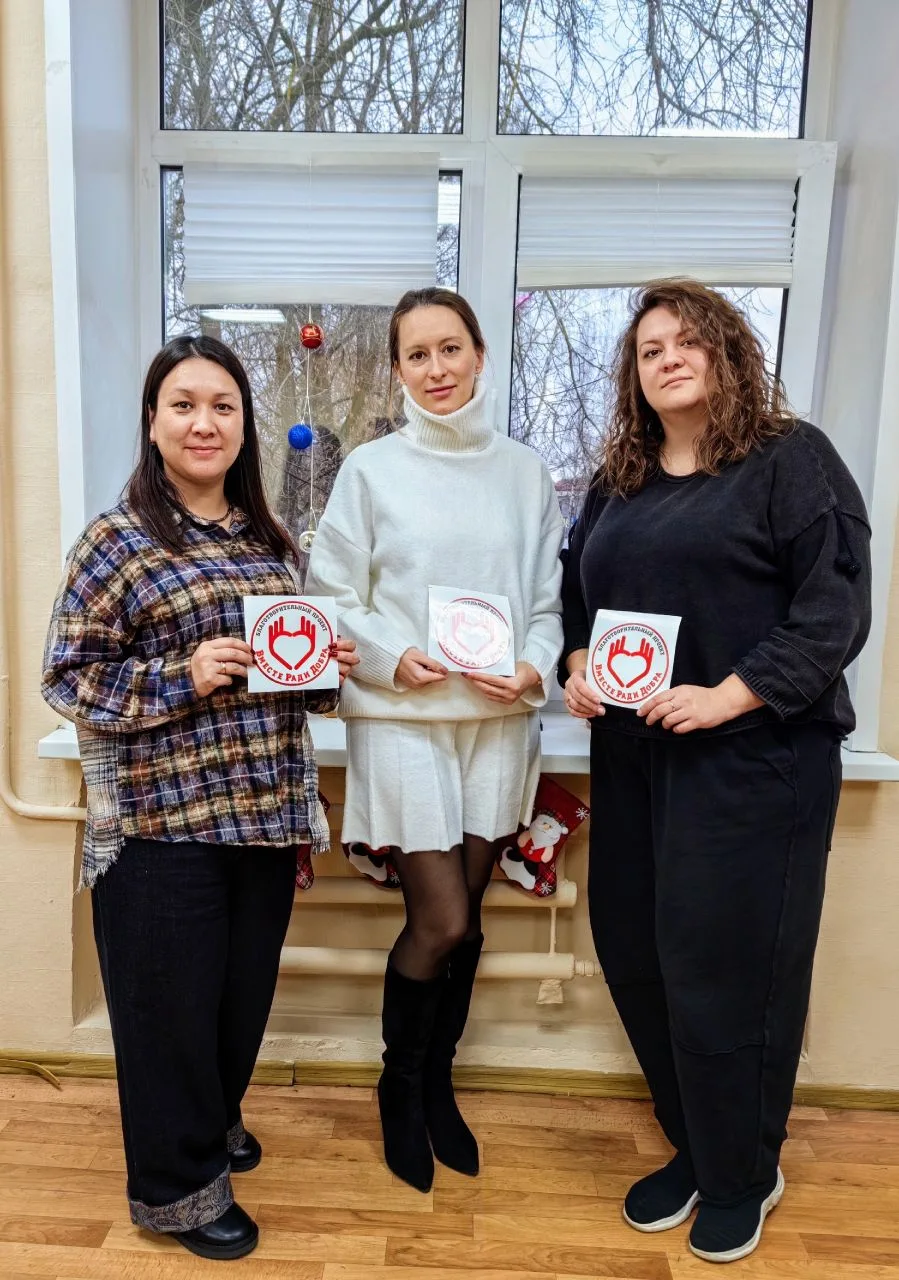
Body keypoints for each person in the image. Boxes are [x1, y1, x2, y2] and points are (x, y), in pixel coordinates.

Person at [561, 279, 871, 1264]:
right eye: (648, 347)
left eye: (687, 340)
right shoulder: (618, 481)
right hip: (633, 756)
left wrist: (727, 695)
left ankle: (743, 1170)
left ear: (727, 350)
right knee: (635, 950)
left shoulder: (789, 460)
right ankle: (696, 1145)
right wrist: (577, 664)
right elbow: (577, 600)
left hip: (751, 760)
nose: (667, 358)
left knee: (728, 970)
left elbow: (832, 610)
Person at [42, 335, 357, 1261]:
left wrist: (322, 667)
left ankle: (211, 1123)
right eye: (183, 405)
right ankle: (174, 1190)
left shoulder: (268, 539)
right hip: (160, 822)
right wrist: (183, 673)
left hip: (261, 815)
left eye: (223, 406)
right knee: (167, 1014)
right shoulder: (116, 541)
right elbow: (69, 677)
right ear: (153, 422)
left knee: (235, 1001)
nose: (204, 423)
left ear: (245, 425)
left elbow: (286, 680)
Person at [306, 287, 564, 1192]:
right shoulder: (370, 471)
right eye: (416, 354)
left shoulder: (525, 472)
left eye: (450, 348)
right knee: (440, 919)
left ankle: (438, 1085)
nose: (436, 368)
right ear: (397, 370)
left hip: (496, 724)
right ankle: (400, 1084)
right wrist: (389, 656)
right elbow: (330, 593)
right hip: (403, 723)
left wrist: (531, 668)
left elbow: (547, 605)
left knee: (471, 922)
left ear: (479, 354)